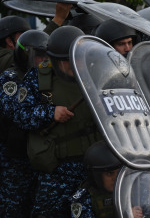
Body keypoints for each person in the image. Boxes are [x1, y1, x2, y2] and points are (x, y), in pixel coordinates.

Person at [14, 25, 103, 217]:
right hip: (56, 172)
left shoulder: (96, 75)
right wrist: (50, 112)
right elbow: (20, 115)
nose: (73, 65)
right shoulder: (38, 77)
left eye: (76, 59)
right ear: (54, 60)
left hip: (93, 167)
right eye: (66, 61)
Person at [0, 29, 50, 217]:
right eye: (39, 57)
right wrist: (50, 113)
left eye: (46, 56)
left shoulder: (48, 78)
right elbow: (15, 112)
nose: (43, 61)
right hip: (15, 156)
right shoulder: (10, 78)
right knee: (12, 207)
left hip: (40, 155)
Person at [70, 141, 143, 218]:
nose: (116, 178)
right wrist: (126, 216)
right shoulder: (82, 199)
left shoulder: (134, 188)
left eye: (120, 172)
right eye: (109, 173)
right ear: (97, 177)